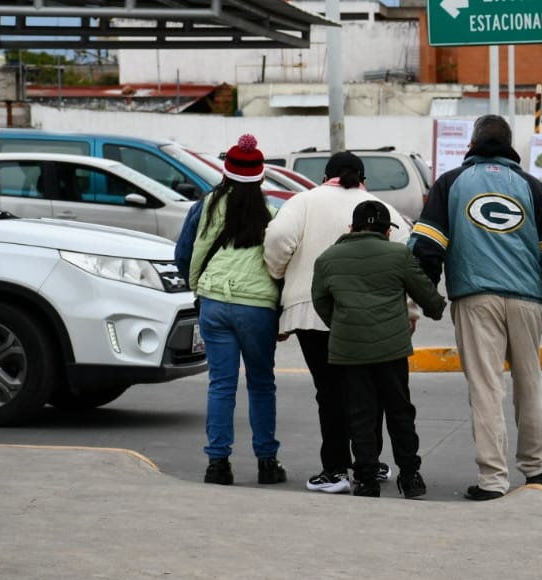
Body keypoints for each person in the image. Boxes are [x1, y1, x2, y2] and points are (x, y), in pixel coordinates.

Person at [409, 114, 542, 501]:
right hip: (527, 300)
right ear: (509, 144)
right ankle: (537, 468)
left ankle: (492, 480)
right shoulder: (532, 186)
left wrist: (429, 299)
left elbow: (427, 247)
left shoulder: (450, 184)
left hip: (475, 299)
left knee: (486, 389)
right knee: (529, 382)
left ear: (472, 142)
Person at [265, 152, 413, 494]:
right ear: (363, 178)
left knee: (329, 392)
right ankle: (370, 465)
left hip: (312, 312)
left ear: (325, 176)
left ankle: (334, 470)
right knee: (370, 393)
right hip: (372, 318)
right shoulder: (379, 206)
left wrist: (281, 275)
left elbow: (276, 240)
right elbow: (407, 258)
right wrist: (410, 312)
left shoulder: (303, 202)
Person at [312, 200, 446, 498]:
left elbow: (321, 303)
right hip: (392, 349)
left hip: (350, 350)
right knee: (400, 411)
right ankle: (410, 476)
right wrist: (438, 309)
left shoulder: (328, 258)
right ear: (386, 231)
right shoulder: (399, 254)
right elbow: (424, 292)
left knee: (360, 413)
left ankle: (367, 478)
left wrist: (343, 325)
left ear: (352, 228)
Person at [189, 134, 286, 486]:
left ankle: (218, 464)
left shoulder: (209, 204)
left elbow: (194, 250)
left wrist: (196, 286)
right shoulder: (272, 214)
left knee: (221, 385)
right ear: (261, 177)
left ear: (226, 173)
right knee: (261, 385)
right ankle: (267, 463)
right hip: (257, 307)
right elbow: (279, 264)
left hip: (214, 302)